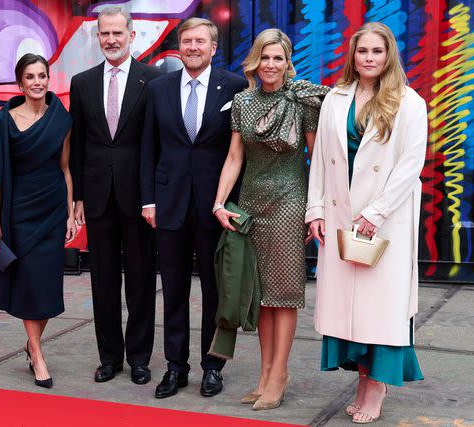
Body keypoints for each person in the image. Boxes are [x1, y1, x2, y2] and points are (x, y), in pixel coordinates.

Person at [306, 22, 426, 424]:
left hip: (385, 220)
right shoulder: (335, 99)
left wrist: (377, 213)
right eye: (362, 51)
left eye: (376, 51)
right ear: (353, 56)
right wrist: (316, 210)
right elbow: (321, 158)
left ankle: (378, 385)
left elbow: (411, 165)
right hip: (341, 217)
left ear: (388, 54)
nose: (369, 58)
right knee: (349, 309)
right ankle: (362, 379)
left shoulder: (409, 102)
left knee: (381, 309)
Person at [212, 29, 328, 410]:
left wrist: (316, 209)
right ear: (255, 61)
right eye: (265, 57)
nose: (271, 65)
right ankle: (264, 373)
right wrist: (219, 203)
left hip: (290, 201)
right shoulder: (243, 101)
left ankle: (279, 373)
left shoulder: (301, 100)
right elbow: (234, 158)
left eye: (278, 58)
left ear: (287, 61)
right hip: (250, 203)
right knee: (260, 296)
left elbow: (316, 159)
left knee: (284, 294)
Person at [140, 17, 247, 399]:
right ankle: (175, 367)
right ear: (179, 46)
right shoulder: (159, 88)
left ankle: (213, 367)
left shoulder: (235, 87)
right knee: (173, 290)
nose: (193, 47)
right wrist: (149, 199)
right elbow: (148, 148)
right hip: (168, 206)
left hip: (214, 208)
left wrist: (233, 202)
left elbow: (240, 153)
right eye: (187, 41)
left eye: (201, 41)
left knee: (215, 292)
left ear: (213, 47)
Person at [69, 7, 161, 385]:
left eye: (117, 33)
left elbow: (155, 144)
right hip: (97, 196)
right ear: (98, 36)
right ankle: (110, 358)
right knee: (102, 281)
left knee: (140, 280)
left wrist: (153, 196)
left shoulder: (153, 81)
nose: (110, 40)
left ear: (131, 35)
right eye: (104, 34)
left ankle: (139, 358)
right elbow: (77, 145)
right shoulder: (82, 82)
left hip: (139, 198)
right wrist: (76, 197)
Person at [0, 53, 75, 389]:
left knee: (46, 285)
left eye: (42, 76)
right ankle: (37, 352)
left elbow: (65, 168)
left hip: (51, 210)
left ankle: (33, 346)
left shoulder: (61, 120)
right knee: (28, 282)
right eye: (30, 77)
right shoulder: (3, 120)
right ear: (20, 84)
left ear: (49, 80)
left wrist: (69, 213)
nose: (37, 82)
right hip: (19, 210)